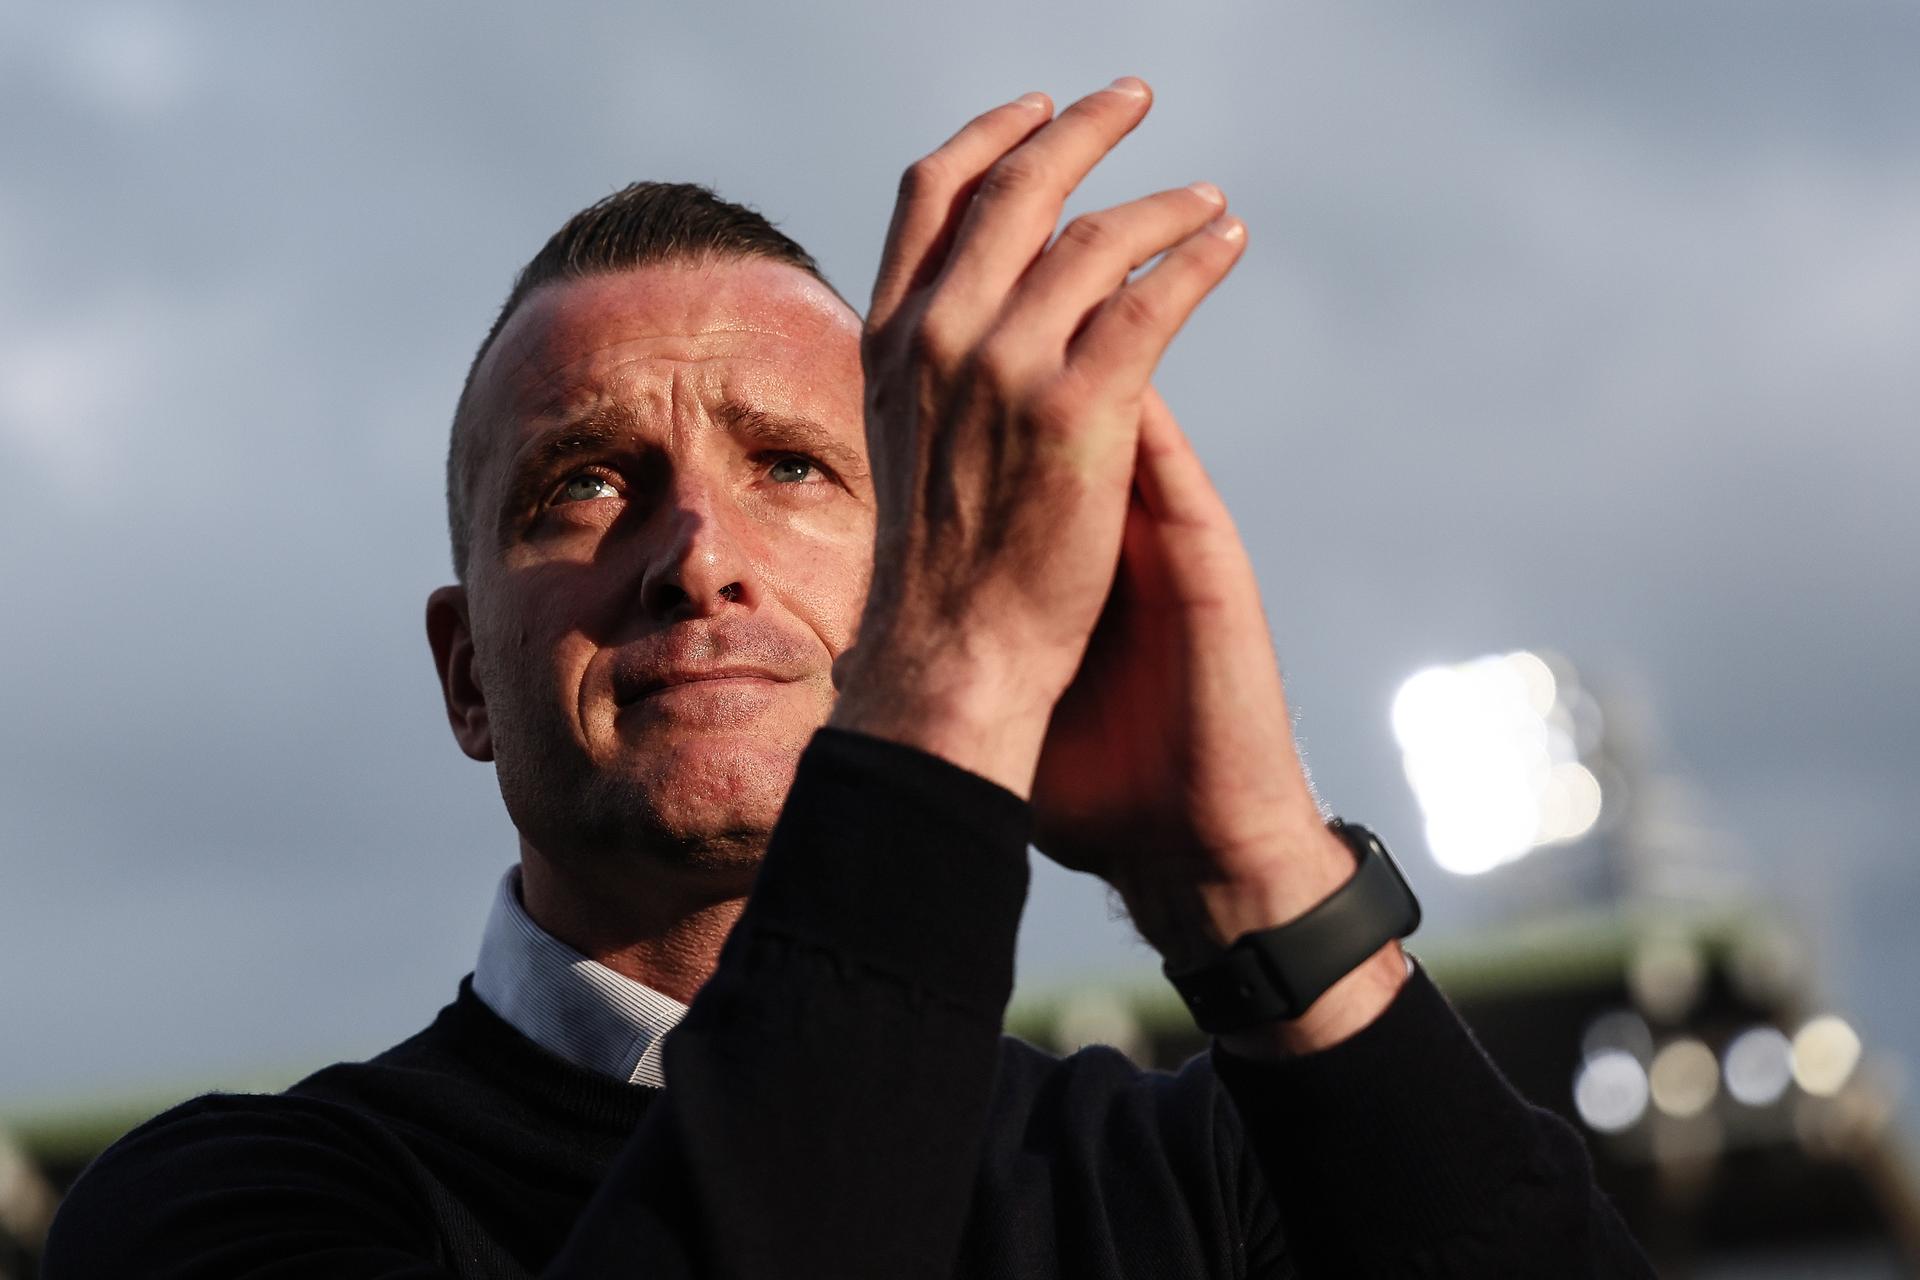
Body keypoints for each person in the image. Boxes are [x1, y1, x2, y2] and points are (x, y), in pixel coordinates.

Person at [45, 80, 1652, 1277]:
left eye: (797, 469)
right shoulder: (233, 1209)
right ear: (468, 678)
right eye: (584, 485)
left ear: (922, 563)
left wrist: (1254, 882)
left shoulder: (1187, 1179)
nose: (697, 551)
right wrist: (947, 702)